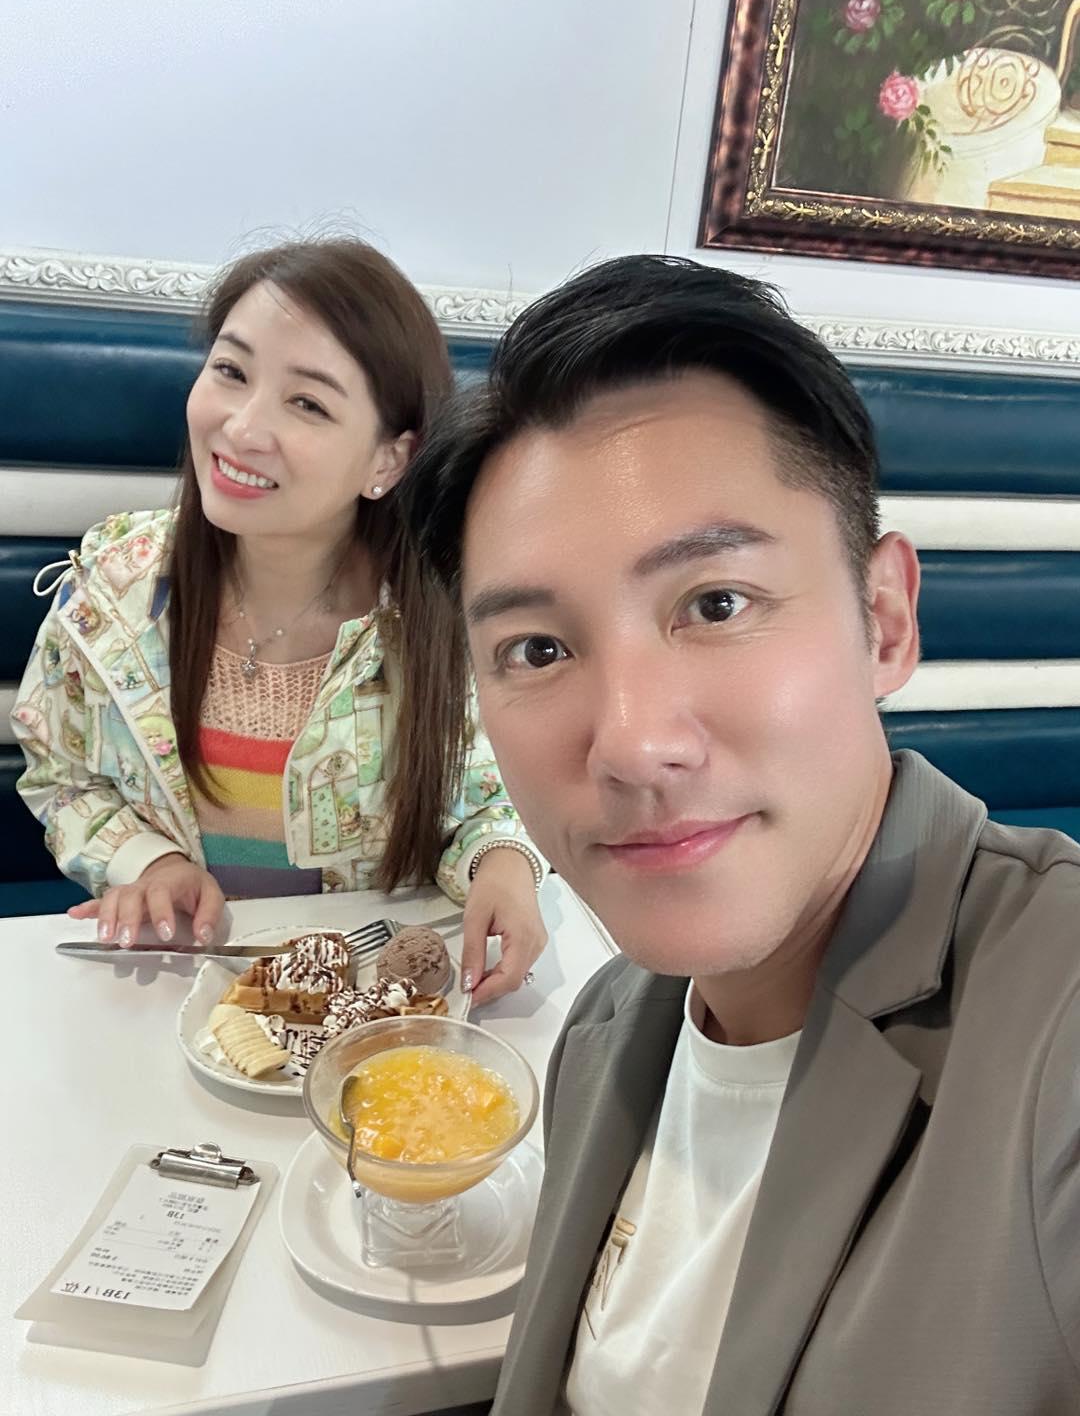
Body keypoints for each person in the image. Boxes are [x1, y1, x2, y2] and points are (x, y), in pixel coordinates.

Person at [402, 255, 1080, 1412]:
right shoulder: (603, 1030)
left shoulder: (1051, 1020)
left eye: (716, 604)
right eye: (537, 650)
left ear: (884, 619)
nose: (631, 743)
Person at [12, 239, 547, 1005]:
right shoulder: (112, 590)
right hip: (174, 983)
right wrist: (145, 863)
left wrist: (503, 865)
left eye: (308, 403)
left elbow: (495, 798)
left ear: (388, 461)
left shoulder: (441, 619)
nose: (241, 428)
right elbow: (61, 776)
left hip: (368, 998)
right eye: (231, 371)